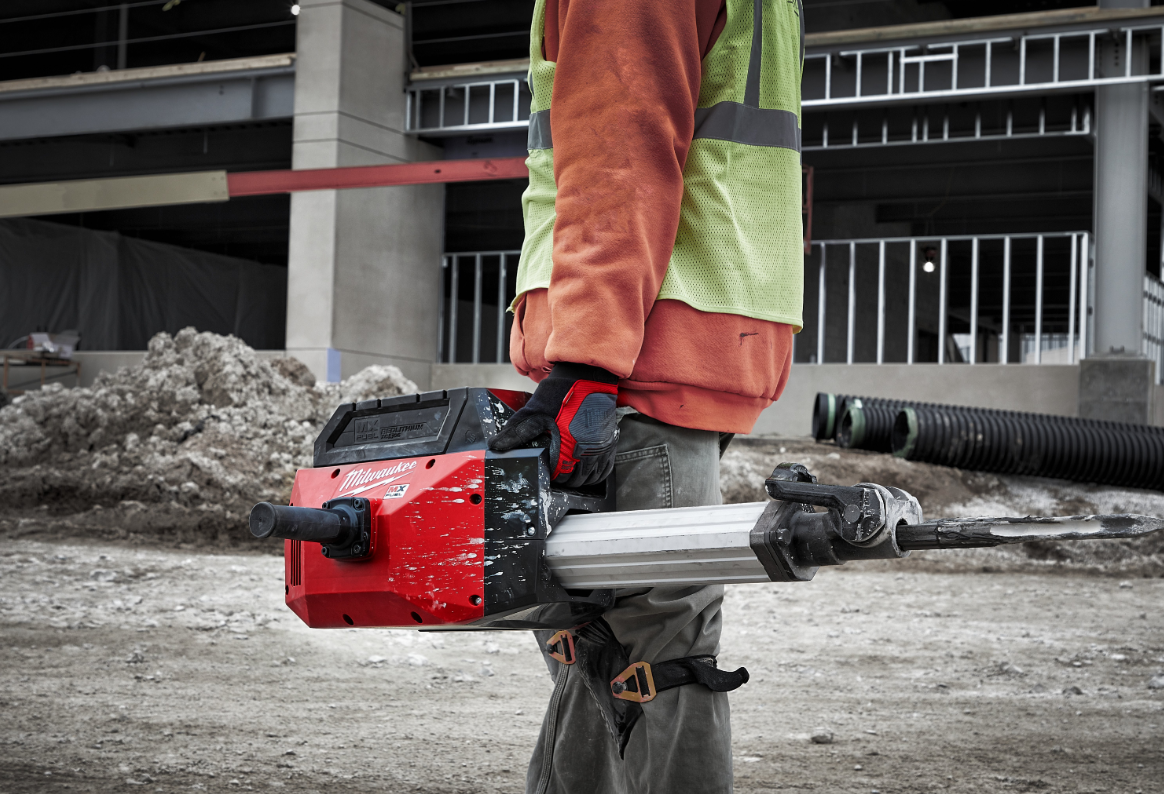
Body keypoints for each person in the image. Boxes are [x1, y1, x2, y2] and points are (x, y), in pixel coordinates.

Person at [489, 1, 805, 791]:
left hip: (627, 357)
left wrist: (583, 367)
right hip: (688, 338)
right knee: (614, 639)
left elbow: (620, 148)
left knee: (648, 646)